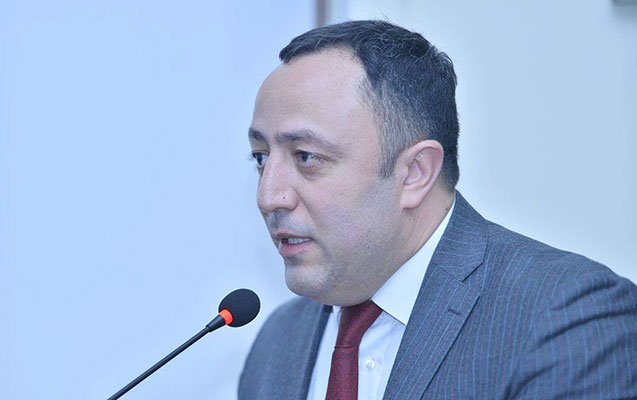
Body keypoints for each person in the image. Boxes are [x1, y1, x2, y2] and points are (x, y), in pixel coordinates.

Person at [239, 20, 637, 399]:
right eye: (260, 157)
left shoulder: (565, 316)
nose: (268, 197)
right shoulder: (278, 342)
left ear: (415, 173)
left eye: (306, 156)